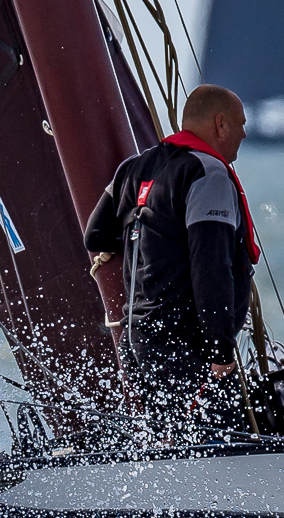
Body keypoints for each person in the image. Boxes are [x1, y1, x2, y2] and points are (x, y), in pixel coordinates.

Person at [84, 83, 257, 429]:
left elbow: (97, 235)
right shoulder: (209, 173)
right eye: (240, 124)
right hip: (184, 347)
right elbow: (211, 268)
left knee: (171, 442)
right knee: (223, 446)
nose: (243, 134)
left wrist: (153, 241)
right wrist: (221, 350)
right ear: (220, 124)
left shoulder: (133, 167)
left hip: (139, 339)